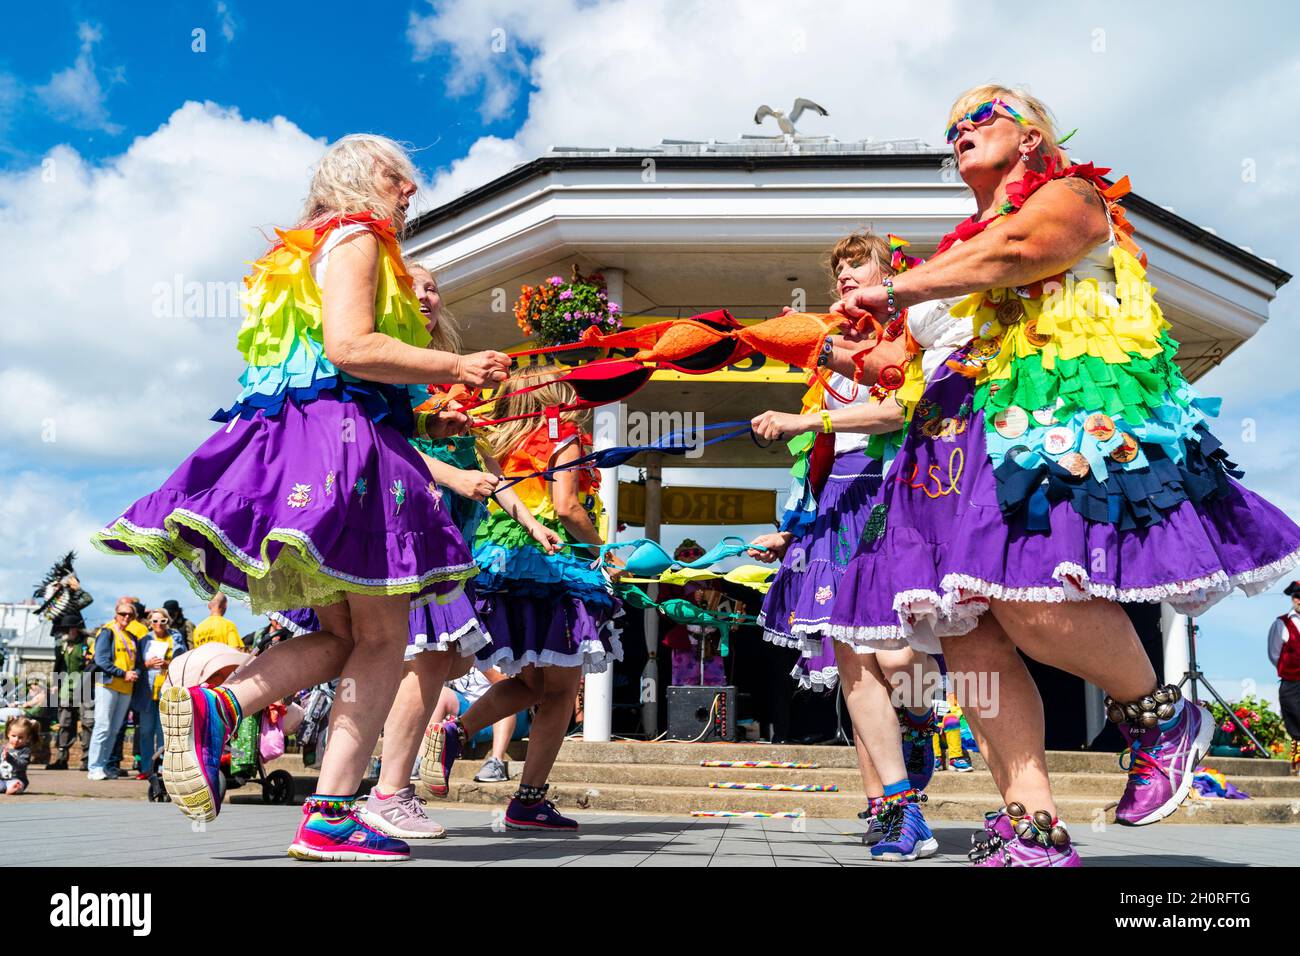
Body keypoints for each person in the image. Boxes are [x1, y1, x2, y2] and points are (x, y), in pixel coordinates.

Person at [826, 85, 1300, 866]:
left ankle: (1159, 717)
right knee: (969, 637)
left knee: (1029, 598)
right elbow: (906, 365)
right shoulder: (955, 248)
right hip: (940, 446)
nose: (961, 131)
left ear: (1033, 132)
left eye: (983, 116)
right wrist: (845, 349)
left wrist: (898, 288)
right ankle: (1033, 826)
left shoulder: (1072, 195)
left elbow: (1021, 255)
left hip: (1028, 429)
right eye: (952, 126)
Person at [93, 133, 511, 862]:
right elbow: (350, 346)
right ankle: (331, 814)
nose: (409, 190)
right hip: (345, 452)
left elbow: (322, 364)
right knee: (384, 638)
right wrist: (458, 366)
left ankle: (218, 706)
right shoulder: (357, 235)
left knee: (346, 636)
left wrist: (420, 415)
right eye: (395, 176)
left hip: (311, 440)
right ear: (354, 179)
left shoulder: (310, 248)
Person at [749, 230, 941, 861]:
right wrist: (794, 529)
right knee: (853, 663)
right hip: (836, 508)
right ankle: (893, 809)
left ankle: (921, 719)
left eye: (856, 270)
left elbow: (898, 412)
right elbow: (820, 461)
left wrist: (806, 420)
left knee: (894, 661)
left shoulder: (908, 332)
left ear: (891, 276)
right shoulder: (825, 357)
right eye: (839, 274)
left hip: (895, 496)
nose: (843, 282)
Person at [353, 264, 561, 841]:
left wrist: (530, 522)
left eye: (432, 286)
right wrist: (451, 473)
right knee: (423, 665)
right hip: (407, 539)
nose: (425, 294)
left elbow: (493, 477)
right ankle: (385, 791)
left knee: (438, 663)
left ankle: (383, 790)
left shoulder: (438, 386)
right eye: (412, 285)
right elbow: (385, 447)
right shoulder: (388, 367)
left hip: (447, 546)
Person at [423, 366, 623, 831]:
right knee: (560, 691)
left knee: (532, 684)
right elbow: (566, 506)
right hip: (553, 569)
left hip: (497, 567)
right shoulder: (563, 435)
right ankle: (529, 801)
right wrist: (605, 553)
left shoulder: (492, 439)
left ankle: (455, 734)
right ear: (556, 396)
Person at [85, 601, 140, 781]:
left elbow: (137, 663)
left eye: (130, 615)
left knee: (115, 729)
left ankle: (105, 764)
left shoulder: (132, 637)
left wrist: (134, 673)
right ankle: (94, 767)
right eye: (123, 613)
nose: (126, 617)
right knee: (102, 725)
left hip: (126, 687)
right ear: (116, 614)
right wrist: (123, 673)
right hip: (107, 685)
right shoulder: (107, 632)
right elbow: (101, 659)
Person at [130, 609, 178, 779]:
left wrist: (167, 663)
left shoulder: (175, 639)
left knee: (163, 732)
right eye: (155, 621)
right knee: (146, 731)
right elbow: (135, 664)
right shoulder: (144, 640)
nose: (158, 625)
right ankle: (146, 769)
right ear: (149, 622)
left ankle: (163, 769)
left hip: (167, 690)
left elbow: (183, 661)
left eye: (162, 621)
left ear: (168, 621)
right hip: (147, 691)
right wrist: (146, 663)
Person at [47, 612, 91, 770]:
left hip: (85, 687)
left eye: (71, 628)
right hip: (66, 688)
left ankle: (86, 759)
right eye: (66, 629)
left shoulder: (88, 642)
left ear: (77, 629)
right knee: (64, 723)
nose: (68, 632)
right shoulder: (61, 645)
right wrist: (55, 683)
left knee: (87, 723)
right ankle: (61, 758)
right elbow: (58, 666)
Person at [1268, 581, 1300, 773]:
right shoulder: (1282, 623)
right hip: (1292, 680)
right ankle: (1297, 763)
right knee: (1295, 716)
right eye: (1297, 596)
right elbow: (1274, 653)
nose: (1299, 600)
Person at [1, 717, 38, 795]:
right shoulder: (2, 748)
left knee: (17, 785)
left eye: (20, 737)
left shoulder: (25, 751)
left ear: (27, 738)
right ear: (8, 734)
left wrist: (9, 758)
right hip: (2, 780)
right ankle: (5, 788)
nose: (16, 739)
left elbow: (22, 765)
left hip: (16, 780)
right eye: (13, 736)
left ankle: (12, 789)